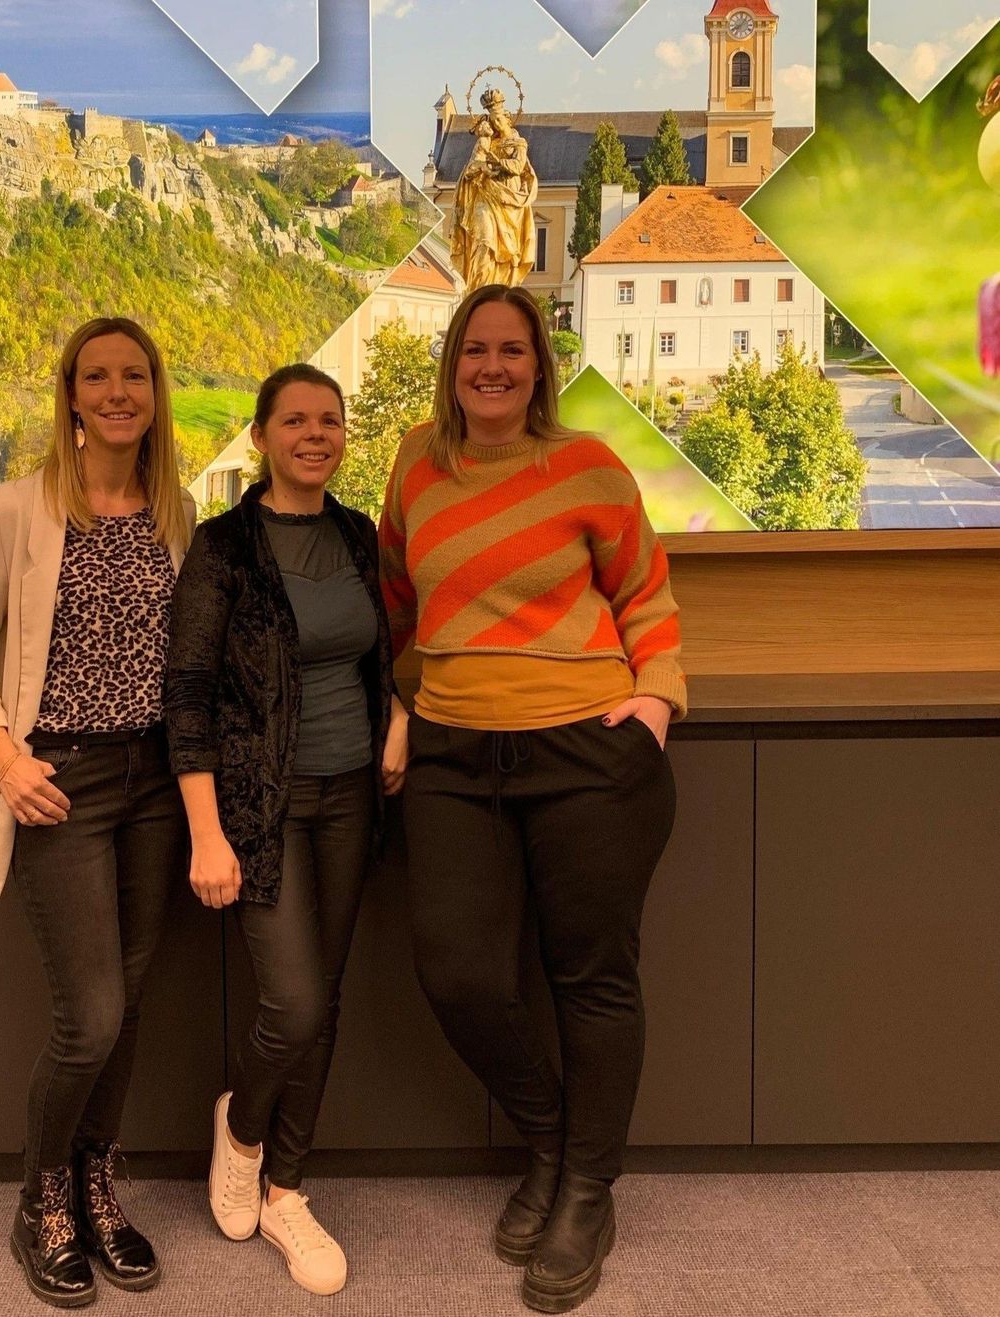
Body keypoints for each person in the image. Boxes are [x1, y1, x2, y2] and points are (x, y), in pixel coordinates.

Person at [378, 285, 683, 1313]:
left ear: (539, 367)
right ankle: (553, 1143)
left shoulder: (589, 465)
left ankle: (586, 1191)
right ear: (452, 362)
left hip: (586, 747)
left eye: (513, 351)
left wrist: (655, 703)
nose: (494, 368)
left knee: (589, 975)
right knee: (458, 970)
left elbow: (646, 592)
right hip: (455, 754)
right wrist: (391, 705)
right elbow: (394, 597)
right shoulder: (416, 461)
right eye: (476, 351)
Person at [0, 317, 195, 1309]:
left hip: (157, 792)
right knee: (87, 1015)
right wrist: (3, 755)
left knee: (126, 1009)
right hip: (61, 788)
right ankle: (41, 1195)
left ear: (154, 392)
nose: (118, 390)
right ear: (72, 394)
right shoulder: (18, 508)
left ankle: (96, 1184)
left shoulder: (178, 513)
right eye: (99, 376)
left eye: (135, 375)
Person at [165, 363, 407, 1297]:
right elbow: (185, 695)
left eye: (331, 421)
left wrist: (399, 716)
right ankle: (242, 1129)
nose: (317, 434)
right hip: (260, 810)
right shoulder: (225, 548)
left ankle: (287, 1193)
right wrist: (205, 831)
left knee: (329, 1000)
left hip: (353, 795)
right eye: (297, 420)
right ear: (262, 435)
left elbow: (383, 649)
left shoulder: (356, 535)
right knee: (295, 1003)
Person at [451, 87, 538, 290]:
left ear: (508, 119)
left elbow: (517, 167)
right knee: (484, 240)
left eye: (499, 119)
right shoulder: (486, 142)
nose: (496, 123)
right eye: (492, 119)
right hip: (486, 197)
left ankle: (500, 287)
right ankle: (477, 290)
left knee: (508, 255)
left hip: (509, 201)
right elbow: (471, 169)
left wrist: (496, 162)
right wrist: (482, 162)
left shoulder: (519, 143)